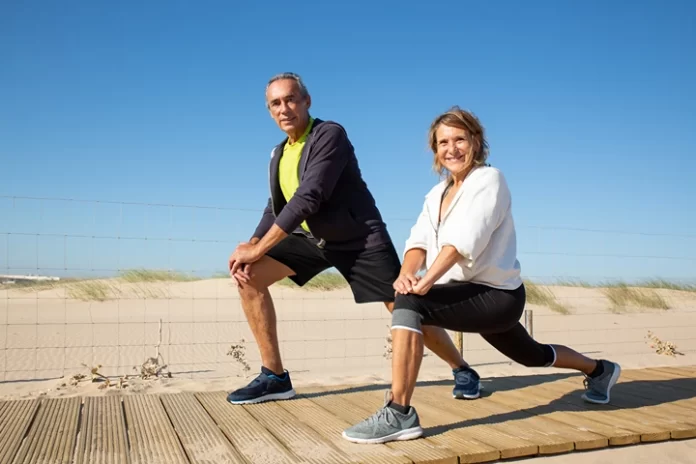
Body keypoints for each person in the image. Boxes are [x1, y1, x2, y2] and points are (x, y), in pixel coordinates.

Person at [342, 107, 622, 444]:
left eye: (460, 138)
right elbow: (417, 243)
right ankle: (599, 370)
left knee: (410, 304)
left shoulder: (490, 180)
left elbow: (462, 241)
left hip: (497, 296)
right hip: (464, 294)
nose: (452, 148)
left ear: (475, 141)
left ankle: (399, 413)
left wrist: (424, 282)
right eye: (443, 142)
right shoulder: (436, 195)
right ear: (435, 150)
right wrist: (405, 274)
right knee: (532, 355)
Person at [226, 73, 478, 405]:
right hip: (312, 240)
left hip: (359, 241)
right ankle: (274, 377)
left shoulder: (330, 134)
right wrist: (253, 243)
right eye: (276, 103)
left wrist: (259, 246)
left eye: (290, 99)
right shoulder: (278, 153)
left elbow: (309, 197)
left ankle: (461, 368)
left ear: (306, 101)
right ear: (269, 110)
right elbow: (277, 206)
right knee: (249, 276)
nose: (284, 108)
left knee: (404, 305)